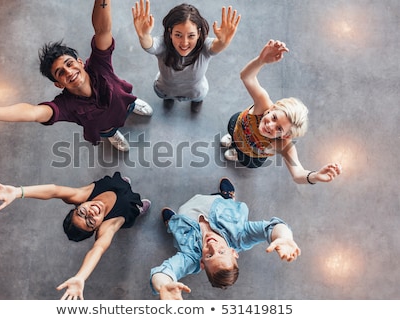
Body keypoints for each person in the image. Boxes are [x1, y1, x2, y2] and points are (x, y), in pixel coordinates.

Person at [0, 0, 152, 152]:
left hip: (124, 102)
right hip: (104, 126)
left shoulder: (99, 64)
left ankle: (133, 105)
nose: (68, 71)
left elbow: (102, 30)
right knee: (108, 131)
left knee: (130, 104)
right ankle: (112, 134)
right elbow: (33, 113)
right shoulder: (65, 106)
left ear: (80, 62)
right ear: (58, 84)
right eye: (60, 73)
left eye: (69, 64)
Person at [0, 171, 151, 300]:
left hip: (111, 185)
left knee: (121, 184)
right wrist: (80, 277)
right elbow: (97, 249)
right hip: (127, 207)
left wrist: (19, 192)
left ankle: (123, 184)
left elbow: (54, 191)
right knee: (133, 208)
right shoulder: (107, 227)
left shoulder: (82, 195)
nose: (90, 212)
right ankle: (138, 207)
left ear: (78, 205)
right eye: (91, 222)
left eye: (82, 212)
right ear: (96, 229)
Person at [150, 177, 300, 300]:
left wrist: (164, 285)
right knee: (222, 199)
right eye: (222, 251)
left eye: (209, 256)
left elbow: (164, 271)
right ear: (233, 251)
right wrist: (284, 236)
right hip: (217, 203)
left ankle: (173, 222)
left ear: (201, 263)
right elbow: (271, 228)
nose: (212, 246)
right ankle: (227, 196)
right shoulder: (241, 235)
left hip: (186, 215)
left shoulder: (190, 257)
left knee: (176, 225)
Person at [221, 39, 342, 184]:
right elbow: (246, 76)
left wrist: (315, 176)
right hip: (237, 125)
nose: (270, 126)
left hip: (251, 154)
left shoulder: (283, 145)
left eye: (279, 129)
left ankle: (237, 152)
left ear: (286, 135)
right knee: (233, 131)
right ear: (272, 109)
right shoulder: (263, 103)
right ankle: (233, 140)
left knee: (244, 157)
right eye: (273, 117)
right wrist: (261, 60)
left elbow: (298, 174)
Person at [132, 0, 241, 112]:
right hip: (165, 90)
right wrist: (143, 36)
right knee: (167, 98)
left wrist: (223, 42)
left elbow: (216, 47)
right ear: (170, 32)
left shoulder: (204, 47)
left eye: (191, 36)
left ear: (198, 34)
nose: (184, 43)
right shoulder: (163, 44)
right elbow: (150, 46)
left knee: (197, 100)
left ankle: (196, 102)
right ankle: (169, 99)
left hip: (196, 92)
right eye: (178, 35)